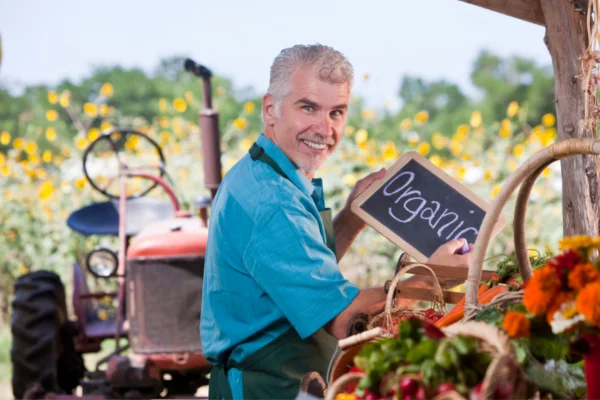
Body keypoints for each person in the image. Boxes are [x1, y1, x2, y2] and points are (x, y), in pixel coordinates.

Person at [200, 44, 472, 400]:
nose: (325, 128)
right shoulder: (272, 203)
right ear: (271, 109)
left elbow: (306, 272)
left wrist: (352, 216)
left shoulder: (271, 175)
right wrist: (433, 279)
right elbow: (344, 320)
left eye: (337, 112)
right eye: (308, 107)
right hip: (269, 387)